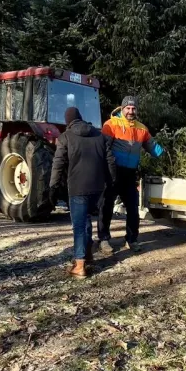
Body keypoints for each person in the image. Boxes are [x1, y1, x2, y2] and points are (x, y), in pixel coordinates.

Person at [49, 107, 116, 278]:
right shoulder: (100, 136)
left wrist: (53, 187)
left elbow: (58, 164)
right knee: (86, 219)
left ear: (68, 121)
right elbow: (110, 163)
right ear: (81, 118)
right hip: (97, 188)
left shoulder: (65, 137)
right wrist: (110, 183)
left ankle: (79, 266)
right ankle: (88, 254)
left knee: (79, 226)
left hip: (78, 188)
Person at [98, 96, 163, 253]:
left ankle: (132, 239)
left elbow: (153, 147)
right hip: (113, 171)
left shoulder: (142, 129)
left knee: (133, 208)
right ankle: (104, 239)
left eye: (133, 108)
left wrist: (165, 154)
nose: (131, 111)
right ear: (122, 109)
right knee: (106, 206)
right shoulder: (111, 125)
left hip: (130, 173)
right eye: (128, 108)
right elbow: (103, 148)